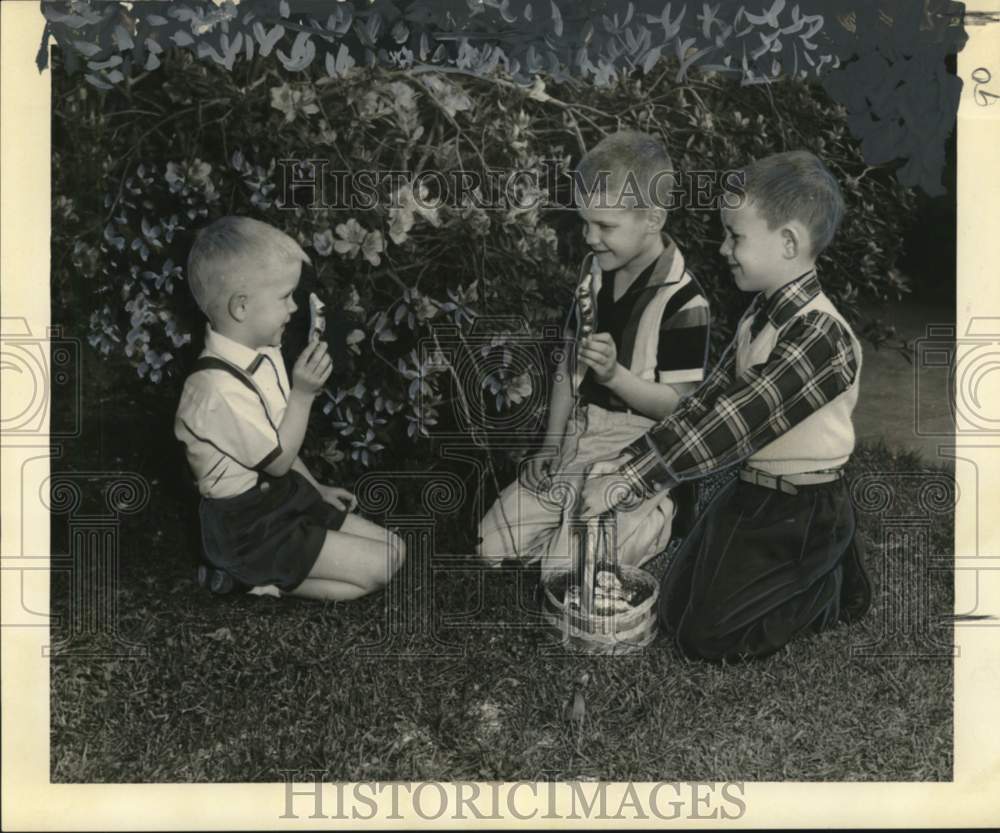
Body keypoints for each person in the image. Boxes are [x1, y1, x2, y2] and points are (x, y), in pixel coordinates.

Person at [580, 150, 872, 661]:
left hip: (802, 511)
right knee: (671, 606)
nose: (722, 249)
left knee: (708, 639)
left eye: (736, 235)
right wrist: (628, 461)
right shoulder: (759, 315)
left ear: (788, 243)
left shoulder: (821, 335)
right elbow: (705, 405)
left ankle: (829, 585)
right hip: (750, 494)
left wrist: (633, 481)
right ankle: (785, 574)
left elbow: (735, 425)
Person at [477, 131, 710, 573]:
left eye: (605, 226)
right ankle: (575, 527)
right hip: (581, 436)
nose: (590, 237)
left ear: (653, 218)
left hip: (638, 447)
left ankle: (657, 517)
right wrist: (550, 446)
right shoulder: (594, 272)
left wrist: (616, 377)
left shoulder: (684, 302)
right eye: (585, 223)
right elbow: (569, 360)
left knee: (563, 574)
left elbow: (680, 406)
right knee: (492, 546)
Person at [174, 216, 405, 600]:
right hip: (245, 527)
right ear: (241, 307)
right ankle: (246, 574)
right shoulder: (213, 390)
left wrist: (316, 489)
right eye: (284, 296)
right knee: (380, 568)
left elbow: (277, 439)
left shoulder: (264, 353)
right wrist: (302, 394)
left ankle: (253, 575)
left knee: (398, 550)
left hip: (280, 498)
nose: (294, 307)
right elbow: (278, 460)